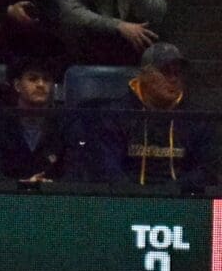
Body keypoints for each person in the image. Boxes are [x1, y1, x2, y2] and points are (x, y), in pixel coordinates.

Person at [80, 43, 212, 188]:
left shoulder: (196, 117)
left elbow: (208, 169)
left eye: (177, 73)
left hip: (180, 201)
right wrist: (134, 197)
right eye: (166, 72)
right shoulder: (116, 114)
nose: (174, 79)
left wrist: (170, 192)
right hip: (125, 201)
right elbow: (106, 166)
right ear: (144, 75)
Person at [0, 56, 69, 182]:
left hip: (54, 199)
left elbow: (74, 173)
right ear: (17, 85)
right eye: (33, 79)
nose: (40, 84)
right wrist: (22, 185)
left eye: (46, 80)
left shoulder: (64, 124)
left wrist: (53, 187)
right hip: (6, 199)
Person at [57, 0, 168, 67]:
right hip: (85, 57)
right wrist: (118, 25)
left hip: (135, 59)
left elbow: (159, 12)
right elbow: (70, 13)